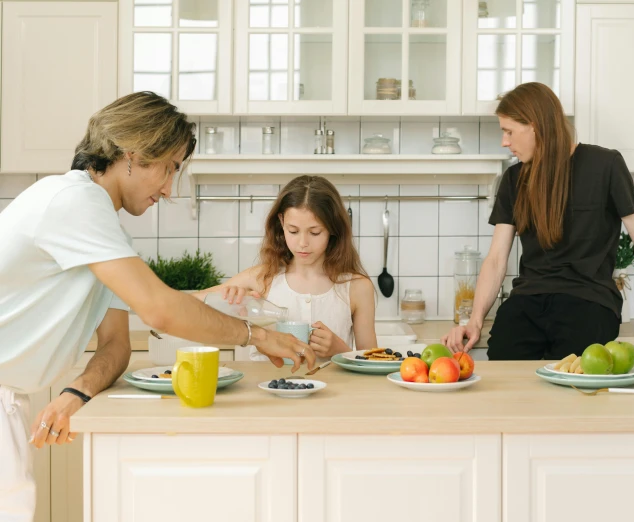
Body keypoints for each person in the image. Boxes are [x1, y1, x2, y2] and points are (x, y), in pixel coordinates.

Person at [0, 92, 314, 522]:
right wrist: (257, 335)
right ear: (133, 156)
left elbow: (116, 344)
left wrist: (78, 392)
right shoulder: (74, 202)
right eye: (170, 168)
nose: (168, 190)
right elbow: (160, 310)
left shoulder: (104, 231)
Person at [441, 82, 634, 360]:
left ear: (534, 126)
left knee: (574, 390)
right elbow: (495, 260)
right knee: (506, 380)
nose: (504, 142)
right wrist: (474, 322)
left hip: (589, 303)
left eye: (508, 131)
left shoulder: (605, 165)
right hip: (527, 303)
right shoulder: (514, 179)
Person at [193, 175, 377, 360]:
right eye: (293, 231)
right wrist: (225, 301)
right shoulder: (260, 278)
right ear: (281, 222)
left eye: (315, 232)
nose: (303, 243)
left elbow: (372, 364)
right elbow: (188, 304)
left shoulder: (357, 287)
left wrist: (341, 352)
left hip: (334, 389)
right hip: (266, 388)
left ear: (333, 228)